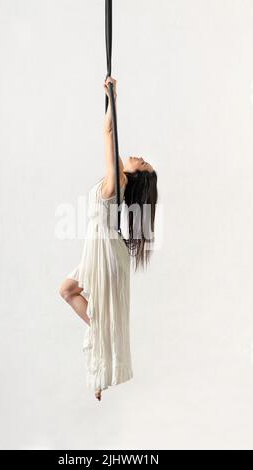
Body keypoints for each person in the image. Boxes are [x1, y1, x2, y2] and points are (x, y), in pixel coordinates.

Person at [59, 77, 158, 402]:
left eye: (142, 162)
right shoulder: (118, 183)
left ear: (136, 174)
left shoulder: (118, 180)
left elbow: (109, 134)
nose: (139, 156)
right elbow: (111, 138)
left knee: (73, 294)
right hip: (105, 247)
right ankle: (101, 350)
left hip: (104, 248)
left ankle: (101, 357)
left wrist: (112, 98)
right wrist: (111, 101)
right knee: (70, 292)